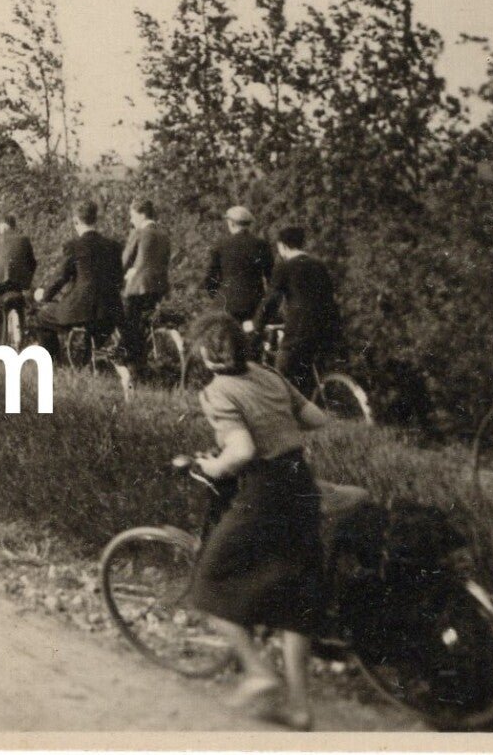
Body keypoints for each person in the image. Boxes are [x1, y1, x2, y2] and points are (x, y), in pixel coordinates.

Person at [183, 312, 331, 730]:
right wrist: (277, 421)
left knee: (209, 579)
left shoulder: (216, 392)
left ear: (204, 353)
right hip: (301, 484)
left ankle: (259, 672)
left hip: (265, 492)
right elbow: (317, 418)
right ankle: (300, 709)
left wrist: (214, 467)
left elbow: (242, 450)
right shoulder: (268, 375)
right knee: (297, 599)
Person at [248, 226, 339, 384]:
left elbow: (271, 301)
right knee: (306, 375)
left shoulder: (284, 267)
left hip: (300, 328)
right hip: (326, 327)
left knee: (281, 371)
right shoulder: (319, 265)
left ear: (282, 246)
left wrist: (256, 325)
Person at [34, 201, 123, 352]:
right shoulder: (114, 246)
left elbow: (61, 278)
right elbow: (119, 279)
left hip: (81, 310)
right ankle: (88, 357)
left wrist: (45, 295)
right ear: (95, 219)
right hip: (110, 310)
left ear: (76, 220)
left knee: (43, 316)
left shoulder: (74, 246)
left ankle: (52, 362)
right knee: (96, 324)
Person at [121, 199, 172, 371]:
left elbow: (125, 261)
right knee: (142, 324)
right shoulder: (164, 235)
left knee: (127, 324)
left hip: (138, 287)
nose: (131, 220)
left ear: (141, 214)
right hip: (158, 288)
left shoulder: (139, 233)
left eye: (132, 215)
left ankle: (131, 365)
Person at [204, 206, 274, 322]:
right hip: (254, 305)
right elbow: (271, 277)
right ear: (249, 224)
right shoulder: (261, 244)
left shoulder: (221, 245)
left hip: (226, 304)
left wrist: (218, 297)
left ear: (231, 223)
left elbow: (209, 279)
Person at [0, 213, 37, 346]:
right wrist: (27, 278)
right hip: (18, 283)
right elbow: (33, 263)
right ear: (14, 227)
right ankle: (21, 339)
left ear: (3, 226)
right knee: (21, 308)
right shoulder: (24, 240)